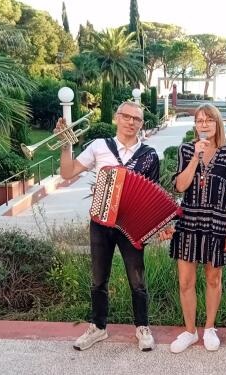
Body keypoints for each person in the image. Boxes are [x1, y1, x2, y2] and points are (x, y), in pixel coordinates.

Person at [57, 101, 159, 352]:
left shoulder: (149, 155)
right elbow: (68, 173)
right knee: (98, 278)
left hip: (131, 226)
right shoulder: (100, 146)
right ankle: (98, 327)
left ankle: (142, 327)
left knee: (137, 280)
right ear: (116, 118)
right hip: (101, 222)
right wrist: (65, 144)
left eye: (137, 119)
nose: (131, 122)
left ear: (141, 124)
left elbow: (153, 194)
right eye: (126, 116)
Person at [160, 104, 226, 353]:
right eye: (199, 121)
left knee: (213, 278)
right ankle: (189, 331)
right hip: (189, 224)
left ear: (217, 124)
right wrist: (196, 158)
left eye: (208, 120)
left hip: (217, 224)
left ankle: (209, 328)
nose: (204, 124)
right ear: (195, 126)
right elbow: (180, 186)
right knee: (185, 281)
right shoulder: (187, 149)